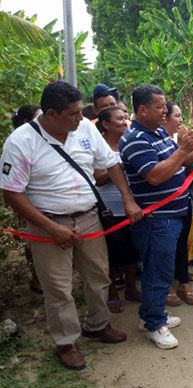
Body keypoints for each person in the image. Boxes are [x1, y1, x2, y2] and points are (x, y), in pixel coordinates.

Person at [0, 81, 142, 369]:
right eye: (74, 113)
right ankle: (66, 342)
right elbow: (12, 194)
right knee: (59, 288)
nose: (82, 118)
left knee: (99, 275)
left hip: (89, 217)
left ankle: (97, 324)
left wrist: (128, 200)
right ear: (51, 114)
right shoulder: (20, 142)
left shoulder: (85, 129)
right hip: (47, 224)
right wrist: (52, 229)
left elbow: (112, 163)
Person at [120, 84, 193, 349]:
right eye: (159, 106)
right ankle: (154, 323)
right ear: (142, 110)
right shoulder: (136, 139)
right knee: (158, 272)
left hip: (172, 215)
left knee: (162, 270)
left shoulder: (157, 133)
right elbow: (154, 176)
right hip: (157, 220)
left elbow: (179, 163)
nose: (165, 110)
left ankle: (151, 316)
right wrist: (182, 149)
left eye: (165, 106)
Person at [94, 107, 142, 313]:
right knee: (110, 254)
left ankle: (131, 288)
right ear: (105, 124)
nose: (124, 122)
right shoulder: (98, 146)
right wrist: (118, 167)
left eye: (125, 118)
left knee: (132, 251)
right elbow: (98, 178)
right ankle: (113, 293)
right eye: (119, 119)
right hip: (107, 209)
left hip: (130, 207)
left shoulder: (128, 143)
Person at [162, 102, 193, 306]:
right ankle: (167, 285)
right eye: (177, 116)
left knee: (182, 242)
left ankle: (183, 282)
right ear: (164, 118)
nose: (181, 120)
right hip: (163, 205)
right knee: (165, 247)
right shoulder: (159, 140)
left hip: (183, 199)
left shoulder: (176, 140)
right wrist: (186, 150)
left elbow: (183, 163)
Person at [11, 104, 43, 295]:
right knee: (33, 242)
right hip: (28, 203)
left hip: (38, 203)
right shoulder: (19, 143)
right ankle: (37, 277)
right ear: (26, 121)